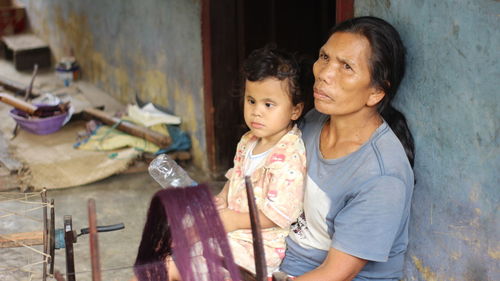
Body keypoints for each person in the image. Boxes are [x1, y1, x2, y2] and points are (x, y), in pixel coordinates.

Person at [279, 16, 415, 281]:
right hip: (285, 261)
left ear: (375, 92)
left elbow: (335, 274)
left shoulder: (382, 176)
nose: (324, 74)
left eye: (346, 67)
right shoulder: (314, 122)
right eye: (325, 57)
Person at [214, 45, 307, 275]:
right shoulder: (248, 140)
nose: (257, 111)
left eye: (268, 104)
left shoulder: (289, 156)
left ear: (295, 110)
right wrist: (222, 197)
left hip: (259, 245)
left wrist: (234, 220)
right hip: (232, 228)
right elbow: (236, 176)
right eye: (251, 100)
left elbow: (279, 214)